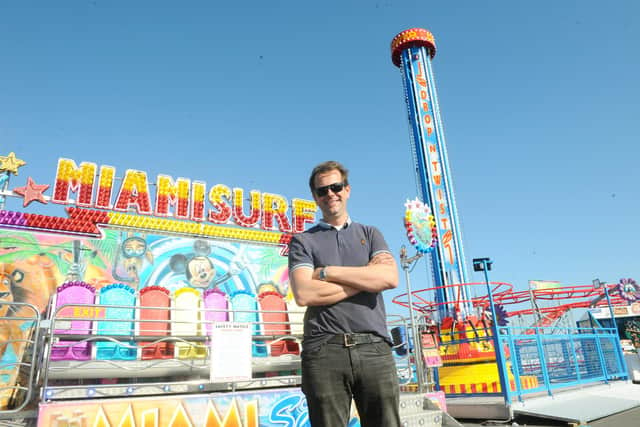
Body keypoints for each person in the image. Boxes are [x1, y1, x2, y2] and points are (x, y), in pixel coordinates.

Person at [288, 160, 401, 427]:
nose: (330, 194)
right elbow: (304, 293)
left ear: (347, 190)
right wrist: (366, 277)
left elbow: (389, 277)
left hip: (375, 347)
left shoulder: (371, 234)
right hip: (324, 350)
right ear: (315, 197)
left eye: (336, 187)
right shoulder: (303, 241)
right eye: (322, 190)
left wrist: (327, 272)